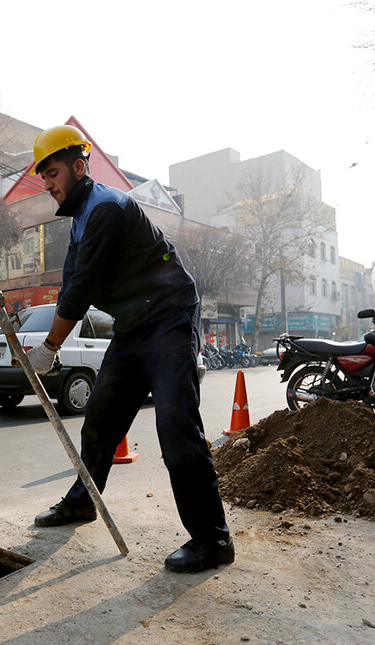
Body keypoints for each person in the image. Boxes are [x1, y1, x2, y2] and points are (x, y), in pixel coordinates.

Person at [25, 125, 234, 573]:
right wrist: (51, 342)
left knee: (176, 424)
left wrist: (49, 347)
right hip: (135, 325)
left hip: (169, 316)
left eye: (54, 172)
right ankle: (83, 501)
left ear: (79, 168)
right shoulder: (81, 220)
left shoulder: (106, 208)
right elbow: (69, 285)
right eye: (44, 176)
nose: (48, 184)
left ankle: (213, 540)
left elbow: (80, 290)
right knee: (100, 419)